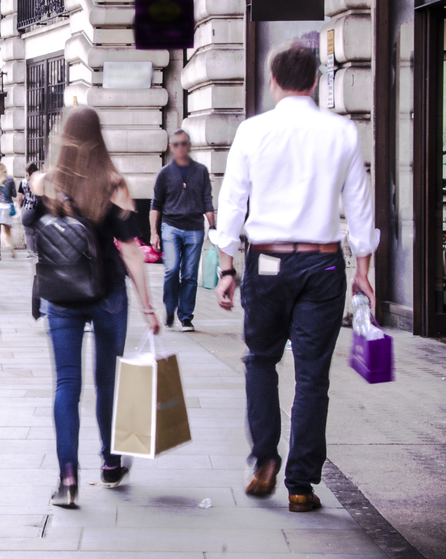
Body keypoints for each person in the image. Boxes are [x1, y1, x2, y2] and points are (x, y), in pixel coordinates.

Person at [211, 42, 379, 513]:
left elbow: (232, 203)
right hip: (323, 265)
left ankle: (265, 460)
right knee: (312, 377)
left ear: (273, 80)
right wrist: (363, 269)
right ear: (314, 81)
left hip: (265, 262)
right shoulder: (343, 131)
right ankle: (301, 484)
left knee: (260, 361)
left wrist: (226, 267)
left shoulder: (252, 130)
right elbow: (360, 205)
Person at [26, 107, 160, 508]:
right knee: (107, 382)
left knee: (67, 384)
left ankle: (68, 478)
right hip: (107, 295)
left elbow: (29, 227)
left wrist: (37, 185)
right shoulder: (114, 184)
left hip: (61, 297)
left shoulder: (48, 184)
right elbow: (132, 252)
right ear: (99, 138)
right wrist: (149, 307)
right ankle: (110, 462)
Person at [149, 130, 215, 332]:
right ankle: (169, 308)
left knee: (189, 274)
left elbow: (207, 200)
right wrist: (153, 232)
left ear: (189, 145)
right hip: (171, 226)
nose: (180, 148)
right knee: (172, 269)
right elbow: (155, 204)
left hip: (195, 227)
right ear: (171, 147)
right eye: (176, 144)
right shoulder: (165, 173)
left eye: (184, 143)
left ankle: (186, 316)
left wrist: (213, 225)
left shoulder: (201, 171)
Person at [18, 162, 40, 256]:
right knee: (37, 230)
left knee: (28, 231)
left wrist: (20, 207)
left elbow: (20, 198)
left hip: (27, 208)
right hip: (37, 209)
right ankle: (37, 250)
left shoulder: (23, 182)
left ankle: (31, 251)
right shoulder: (39, 181)